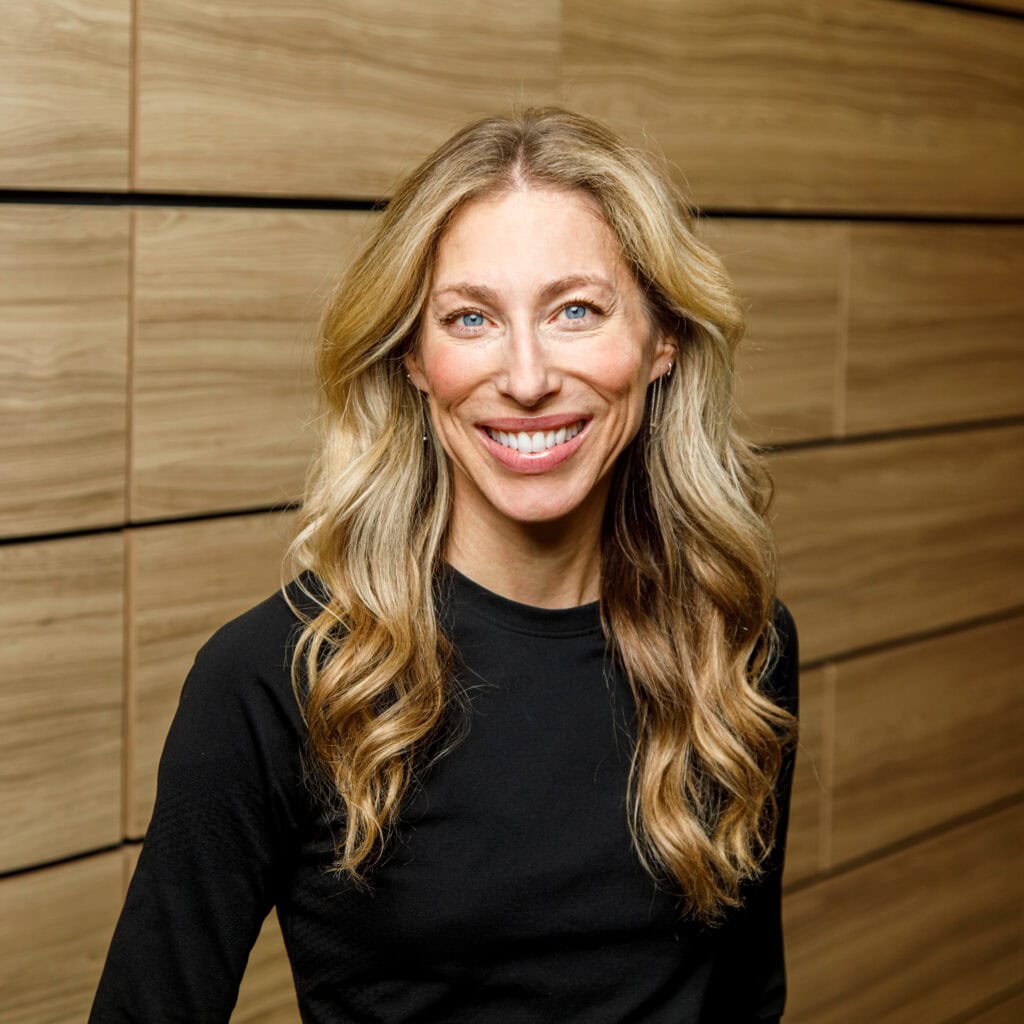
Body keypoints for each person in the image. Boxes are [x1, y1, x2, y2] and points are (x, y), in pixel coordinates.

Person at [90, 106, 799, 1023]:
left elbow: (748, 1005)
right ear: (416, 361)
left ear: (662, 341)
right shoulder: (279, 679)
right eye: (470, 318)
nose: (529, 374)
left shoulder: (737, 646)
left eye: (576, 310)